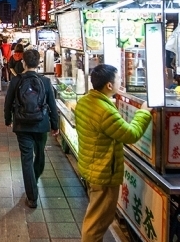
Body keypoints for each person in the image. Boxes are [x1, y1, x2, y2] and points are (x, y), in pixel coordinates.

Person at [74, 64, 152, 242]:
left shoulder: (86, 101)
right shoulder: (105, 111)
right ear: (109, 85)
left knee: (95, 218)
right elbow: (131, 134)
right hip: (103, 173)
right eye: (119, 80)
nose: (121, 82)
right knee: (96, 224)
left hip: (92, 168)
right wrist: (144, 113)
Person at [4, 50, 59, 208]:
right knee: (40, 154)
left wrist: (8, 119)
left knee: (26, 159)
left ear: (23, 63)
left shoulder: (16, 80)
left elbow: (8, 102)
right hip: (41, 124)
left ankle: (32, 196)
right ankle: (33, 182)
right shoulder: (45, 82)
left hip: (22, 125)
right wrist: (54, 125)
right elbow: (52, 106)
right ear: (39, 62)